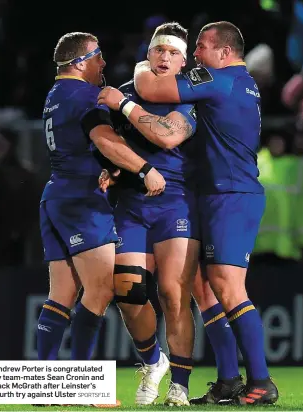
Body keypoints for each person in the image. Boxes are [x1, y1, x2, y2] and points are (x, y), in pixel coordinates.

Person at [99, 21, 279, 405]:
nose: (197, 54)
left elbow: (150, 95)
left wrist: (131, 87)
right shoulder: (235, 81)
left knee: (228, 287)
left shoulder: (220, 80)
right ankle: (229, 379)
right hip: (214, 194)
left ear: (224, 52)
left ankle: (261, 382)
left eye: (200, 47)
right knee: (204, 287)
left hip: (229, 195)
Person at [37, 31, 166, 365]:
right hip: (82, 201)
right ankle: (83, 386)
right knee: (100, 290)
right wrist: (145, 169)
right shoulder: (85, 95)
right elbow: (106, 140)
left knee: (61, 296)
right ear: (80, 63)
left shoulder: (55, 94)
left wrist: (107, 169)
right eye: (98, 56)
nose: (103, 63)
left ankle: (44, 385)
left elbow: (80, 146)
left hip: (56, 197)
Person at [99, 23, 200, 406]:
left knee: (173, 293)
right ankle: (151, 360)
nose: (164, 58)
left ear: (183, 61)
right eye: (159, 50)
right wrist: (112, 167)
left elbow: (168, 135)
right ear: (148, 52)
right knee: (127, 292)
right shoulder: (124, 92)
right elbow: (113, 143)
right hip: (132, 206)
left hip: (176, 203)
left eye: (173, 53)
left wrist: (125, 106)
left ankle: (180, 384)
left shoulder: (189, 96)